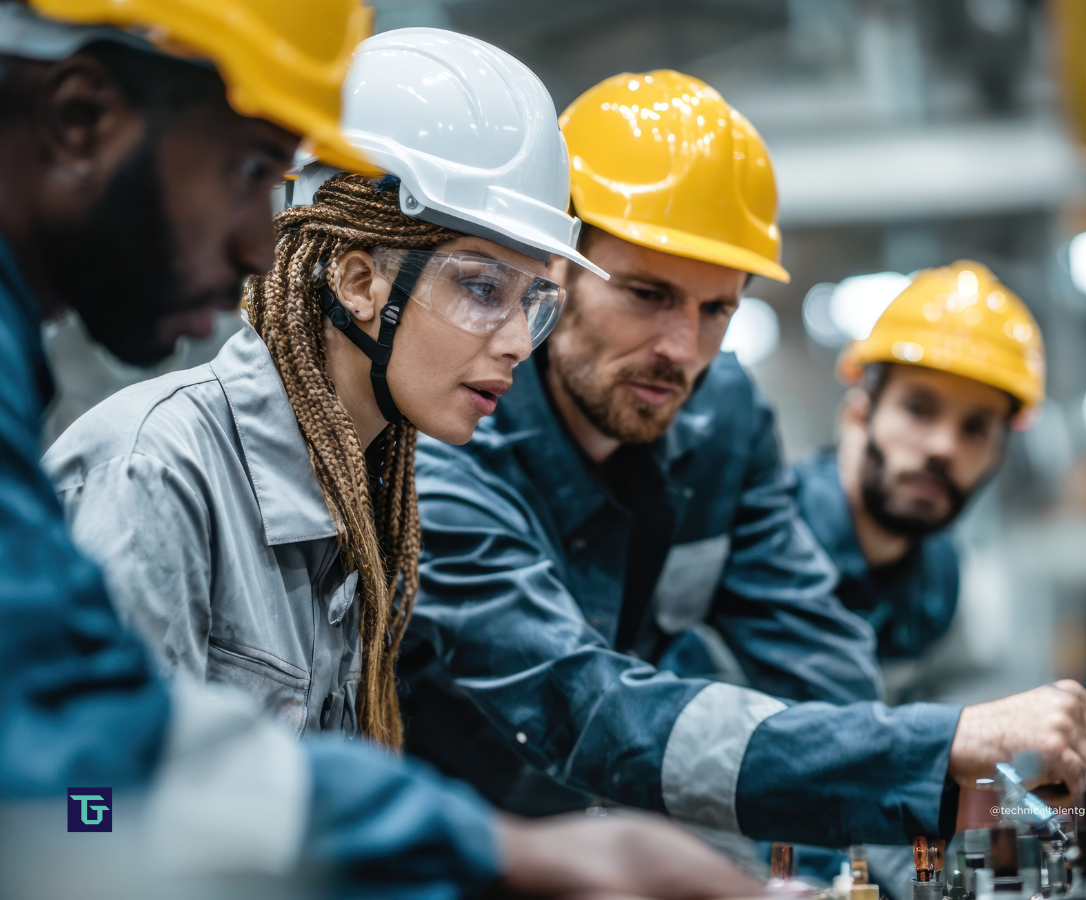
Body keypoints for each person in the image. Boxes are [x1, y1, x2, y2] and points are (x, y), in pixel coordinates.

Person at [0, 6, 763, 897]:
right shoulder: (157, 472)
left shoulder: (374, 501)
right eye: (482, 287)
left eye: (535, 300)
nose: (519, 340)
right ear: (359, 279)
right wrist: (490, 851)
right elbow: (81, 810)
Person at [400, 70, 1086, 849]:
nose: (682, 351)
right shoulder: (449, 444)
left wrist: (915, 816)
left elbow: (813, 653)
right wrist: (937, 745)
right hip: (438, 854)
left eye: (716, 309)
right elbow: (581, 705)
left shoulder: (722, 420)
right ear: (554, 269)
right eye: (647, 293)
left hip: (612, 849)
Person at [792, 261, 1042, 679]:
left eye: (976, 429)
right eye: (918, 410)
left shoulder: (941, 582)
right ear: (857, 418)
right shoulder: (767, 533)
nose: (944, 447)